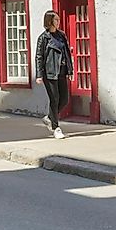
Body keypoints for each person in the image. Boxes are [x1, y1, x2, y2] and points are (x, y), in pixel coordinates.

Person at [35, 10, 73, 139]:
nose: (58, 22)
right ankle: (56, 127)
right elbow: (39, 56)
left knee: (64, 99)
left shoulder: (61, 35)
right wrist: (39, 75)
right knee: (54, 99)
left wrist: (70, 70)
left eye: (58, 19)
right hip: (49, 72)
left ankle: (50, 117)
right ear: (50, 21)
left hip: (61, 71)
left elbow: (67, 53)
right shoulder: (44, 38)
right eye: (56, 20)